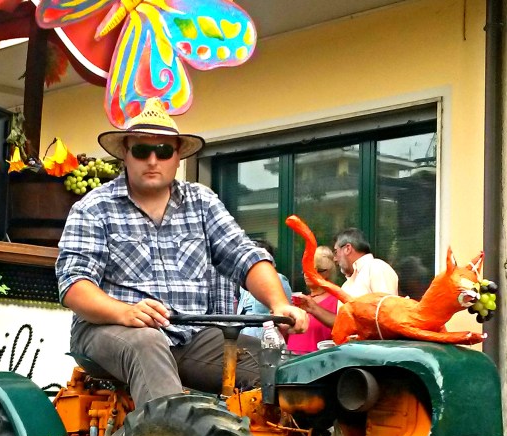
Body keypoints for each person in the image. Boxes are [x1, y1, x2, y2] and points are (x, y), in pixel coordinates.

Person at [56, 97, 307, 406]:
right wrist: (125, 312)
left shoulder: (202, 201)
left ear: (176, 156)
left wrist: (280, 304)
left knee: (286, 372)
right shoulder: (93, 208)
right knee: (147, 343)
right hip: (109, 331)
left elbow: (244, 256)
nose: (152, 160)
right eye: (141, 150)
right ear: (125, 154)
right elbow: (74, 285)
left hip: (191, 335)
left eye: (163, 151)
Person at [236, 239, 293, 338]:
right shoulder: (244, 282)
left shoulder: (279, 279)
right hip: (242, 337)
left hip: (265, 339)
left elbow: (285, 316)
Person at [287, 246, 339, 353]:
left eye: (314, 270)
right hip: (291, 360)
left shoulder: (337, 300)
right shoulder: (302, 300)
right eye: (305, 269)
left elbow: (344, 327)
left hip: (317, 363)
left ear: (327, 272)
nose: (307, 274)